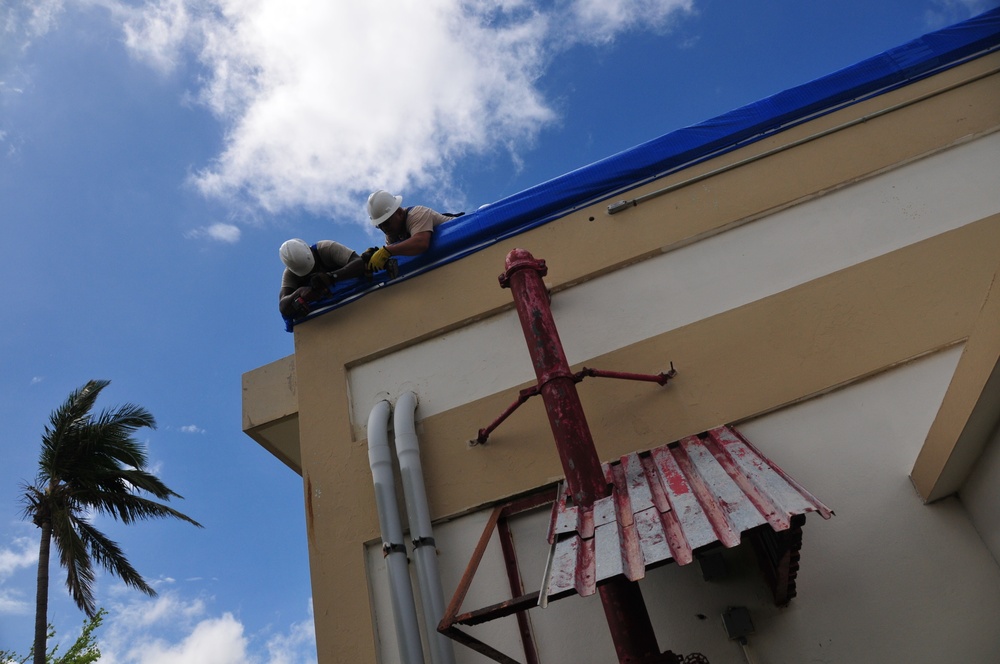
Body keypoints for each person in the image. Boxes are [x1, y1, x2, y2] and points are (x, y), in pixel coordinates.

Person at [363, 190, 461, 272]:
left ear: (399, 213)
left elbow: (421, 243)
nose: (384, 229)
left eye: (387, 223)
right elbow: (396, 254)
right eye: (380, 226)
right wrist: (373, 259)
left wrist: (388, 251)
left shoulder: (417, 213)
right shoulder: (392, 233)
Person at [278, 238, 365, 319]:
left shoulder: (327, 248)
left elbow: (358, 262)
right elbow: (283, 305)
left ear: (310, 250)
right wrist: (299, 293)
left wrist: (331, 277)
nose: (311, 271)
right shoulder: (290, 273)